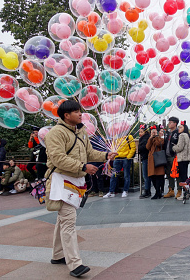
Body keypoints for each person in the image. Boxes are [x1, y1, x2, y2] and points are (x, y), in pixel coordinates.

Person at [44, 99, 116, 277]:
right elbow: (58, 158)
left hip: (76, 182)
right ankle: (75, 265)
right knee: (68, 220)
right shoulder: (55, 133)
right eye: (76, 111)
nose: (80, 114)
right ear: (66, 115)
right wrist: (83, 167)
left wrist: (106, 155)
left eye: (80, 111)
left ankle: (57, 255)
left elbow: (89, 153)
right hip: (60, 181)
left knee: (63, 219)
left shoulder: (82, 131)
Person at [103, 132, 136, 199]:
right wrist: (114, 156)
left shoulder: (129, 137)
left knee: (126, 175)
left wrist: (128, 157)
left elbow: (133, 148)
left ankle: (125, 190)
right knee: (113, 175)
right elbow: (113, 147)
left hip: (125, 158)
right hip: (117, 158)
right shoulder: (116, 137)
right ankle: (111, 191)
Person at [173, 121, 190, 200]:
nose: (179, 129)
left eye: (181, 127)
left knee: (183, 177)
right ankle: (187, 193)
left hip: (182, 158)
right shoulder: (187, 135)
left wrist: (174, 148)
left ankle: (185, 194)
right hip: (187, 158)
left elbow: (179, 147)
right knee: (185, 176)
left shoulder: (181, 135)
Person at [147, 126, 165, 199]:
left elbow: (159, 144)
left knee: (159, 176)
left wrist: (157, 136)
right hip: (152, 159)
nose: (154, 133)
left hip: (159, 158)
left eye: (155, 131)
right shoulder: (151, 138)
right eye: (152, 131)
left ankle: (158, 192)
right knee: (152, 176)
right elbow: (147, 147)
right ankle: (157, 191)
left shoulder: (161, 138)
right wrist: (151, 137)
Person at [163, 117, 179, 198]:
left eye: (171, 122)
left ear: (175, 123)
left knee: (177, 173)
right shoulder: (167, 133)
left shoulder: (178, 132)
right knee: (169, 174)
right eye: (169, 122)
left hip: (174, 156)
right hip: (167, 156)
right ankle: (171, 190)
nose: (169, 124)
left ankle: (179, 190)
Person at [138, 125, 151, 199]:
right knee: (145, 176)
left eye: (141, 132)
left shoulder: (146, 138)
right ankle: (147, 190)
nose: (140, 133)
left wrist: (139, 148)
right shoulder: (142, 138)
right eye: (139, 132)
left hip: (146, 158)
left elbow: (144, 147)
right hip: (144, 158)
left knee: (146, 176)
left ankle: (147, 190)